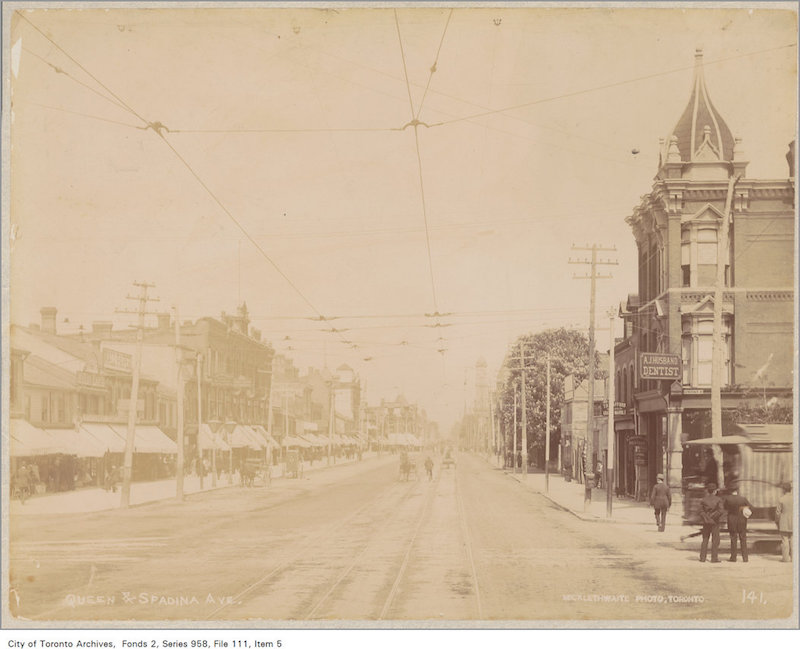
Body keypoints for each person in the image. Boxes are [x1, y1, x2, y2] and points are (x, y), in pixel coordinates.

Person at [724, 484, 753, 562]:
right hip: (742, 520)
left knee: (733, 538)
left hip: (731, 520)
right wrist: (742, 508)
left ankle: (733, 558)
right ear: (737, 490)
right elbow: (751, 507)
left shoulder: (728, 499)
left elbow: (725, 508)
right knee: (743, 538)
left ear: (730, 490)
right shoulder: (743, 499)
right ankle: (745, 558)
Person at [699, 482, 724, 563]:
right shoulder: (718, 500)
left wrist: (707, 518)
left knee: (705, 539)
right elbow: (720, 511)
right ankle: (714, 558)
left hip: (706, 522)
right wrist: (712, 517)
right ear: (715, 491)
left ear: (707, 490)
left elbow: (701, 511)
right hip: (715, 522)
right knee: (715, 540)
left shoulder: (703, 500)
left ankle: (702, 558)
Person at [775, 483, 793, 563]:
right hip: (794, 522)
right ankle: (794, 558)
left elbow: (778, 512)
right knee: (793, 540)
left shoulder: (781, 499)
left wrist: (777, 521)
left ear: (784, 490)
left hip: (784, 522)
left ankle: (785, 559)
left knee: (784, 540)